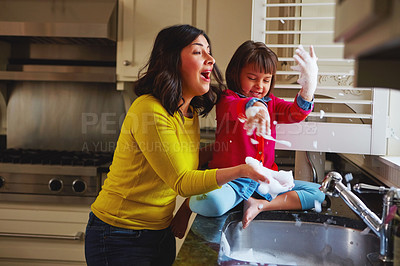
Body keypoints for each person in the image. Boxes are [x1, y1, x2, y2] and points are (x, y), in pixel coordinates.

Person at [84, 25, 271, 266]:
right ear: (172, 61)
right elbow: (182, 180)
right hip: (118, 234)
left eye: (209, 51)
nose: (211, 59)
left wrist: (238, 152)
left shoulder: (188, 111)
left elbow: (188, 160)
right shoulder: (150, 110)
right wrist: (241, 170)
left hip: (159, 230)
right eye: (198, 52)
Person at [172, 40, 326, 239]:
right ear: (236, 74)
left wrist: (308, 86)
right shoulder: (227, 99)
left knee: (320, 194)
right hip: (232, 182)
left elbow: (296, 113)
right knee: (211, 203)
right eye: (252, 78)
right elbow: (238, 106)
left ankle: (260, 205)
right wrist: (254, 107)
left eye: (266, 80)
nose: (259, 86)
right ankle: (188, 204)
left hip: (265, 181)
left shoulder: (271, 103)